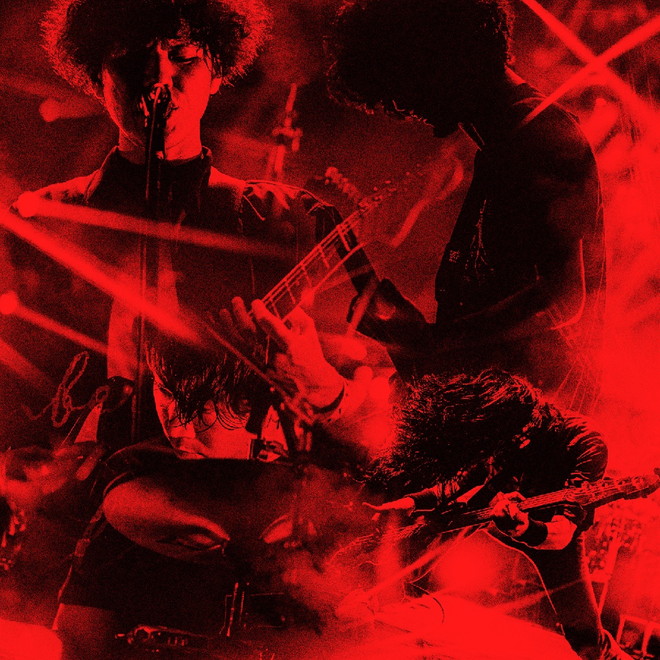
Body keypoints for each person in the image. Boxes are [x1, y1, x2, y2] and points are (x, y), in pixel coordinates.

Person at [7, 0, 366, 657]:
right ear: (95, 75)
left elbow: (379, 414)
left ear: (218, 71)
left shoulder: (285, 221)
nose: (157, 79)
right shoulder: (43, 223)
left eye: (184, 58)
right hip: (78, 538)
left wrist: (314, 377)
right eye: (130, 61)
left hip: (249, 536)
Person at [326, 0, 606, 413]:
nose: (400, 106)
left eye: (403, 79)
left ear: (444, 53)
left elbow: (561, 299)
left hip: (536, 425)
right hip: (500, 416)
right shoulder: (503, 143)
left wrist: (434, 341)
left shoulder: (541, 135)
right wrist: (417, 339)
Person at [367, 369, 630, 660]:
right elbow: (456, 485)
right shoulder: (506, 434)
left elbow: (562, 533)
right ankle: (388, 592)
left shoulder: (586, 442)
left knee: (586, 641)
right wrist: (410, 502)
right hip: (503, 513)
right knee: (444, 519)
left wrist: (525, 528)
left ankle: (611, 655)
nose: (503, 450)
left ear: (527, 430)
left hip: (552, 537)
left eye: (511, 443)